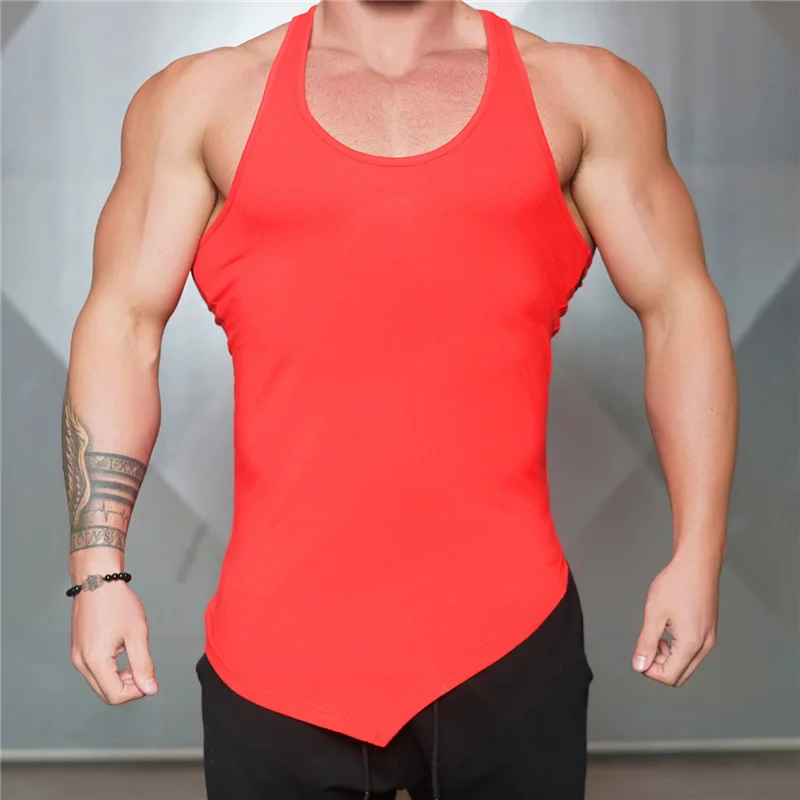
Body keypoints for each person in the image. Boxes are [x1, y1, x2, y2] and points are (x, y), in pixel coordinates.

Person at [62, 1, 738, 798]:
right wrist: (97, 572)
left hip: (511, 640)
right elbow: (123, 326)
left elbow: (680, 310)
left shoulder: (582, 92)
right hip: (276, 655)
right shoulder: (203, 100)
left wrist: (699, 554)